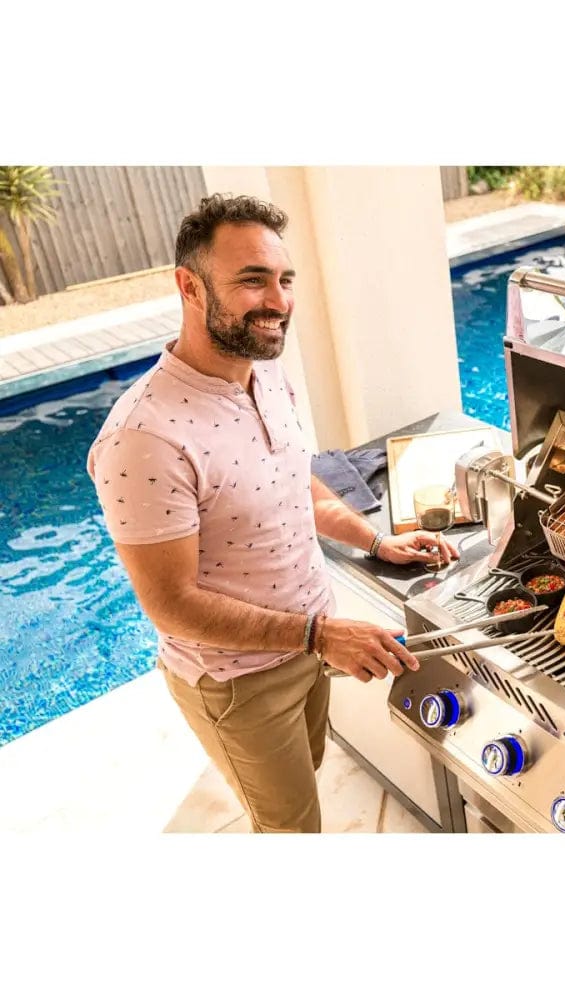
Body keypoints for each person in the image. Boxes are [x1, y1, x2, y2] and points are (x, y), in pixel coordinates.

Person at [87, 193, 459, 833]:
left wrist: (375, 542)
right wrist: (319, 636)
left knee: (308, 772)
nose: (279, 301)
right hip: (238, 681)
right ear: (190, 287)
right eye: (252, 280)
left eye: (284, 279)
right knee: (289, 829)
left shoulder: (268, 375)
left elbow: (297, 484)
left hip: (308, 644)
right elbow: (170, 604)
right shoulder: (141, 438)